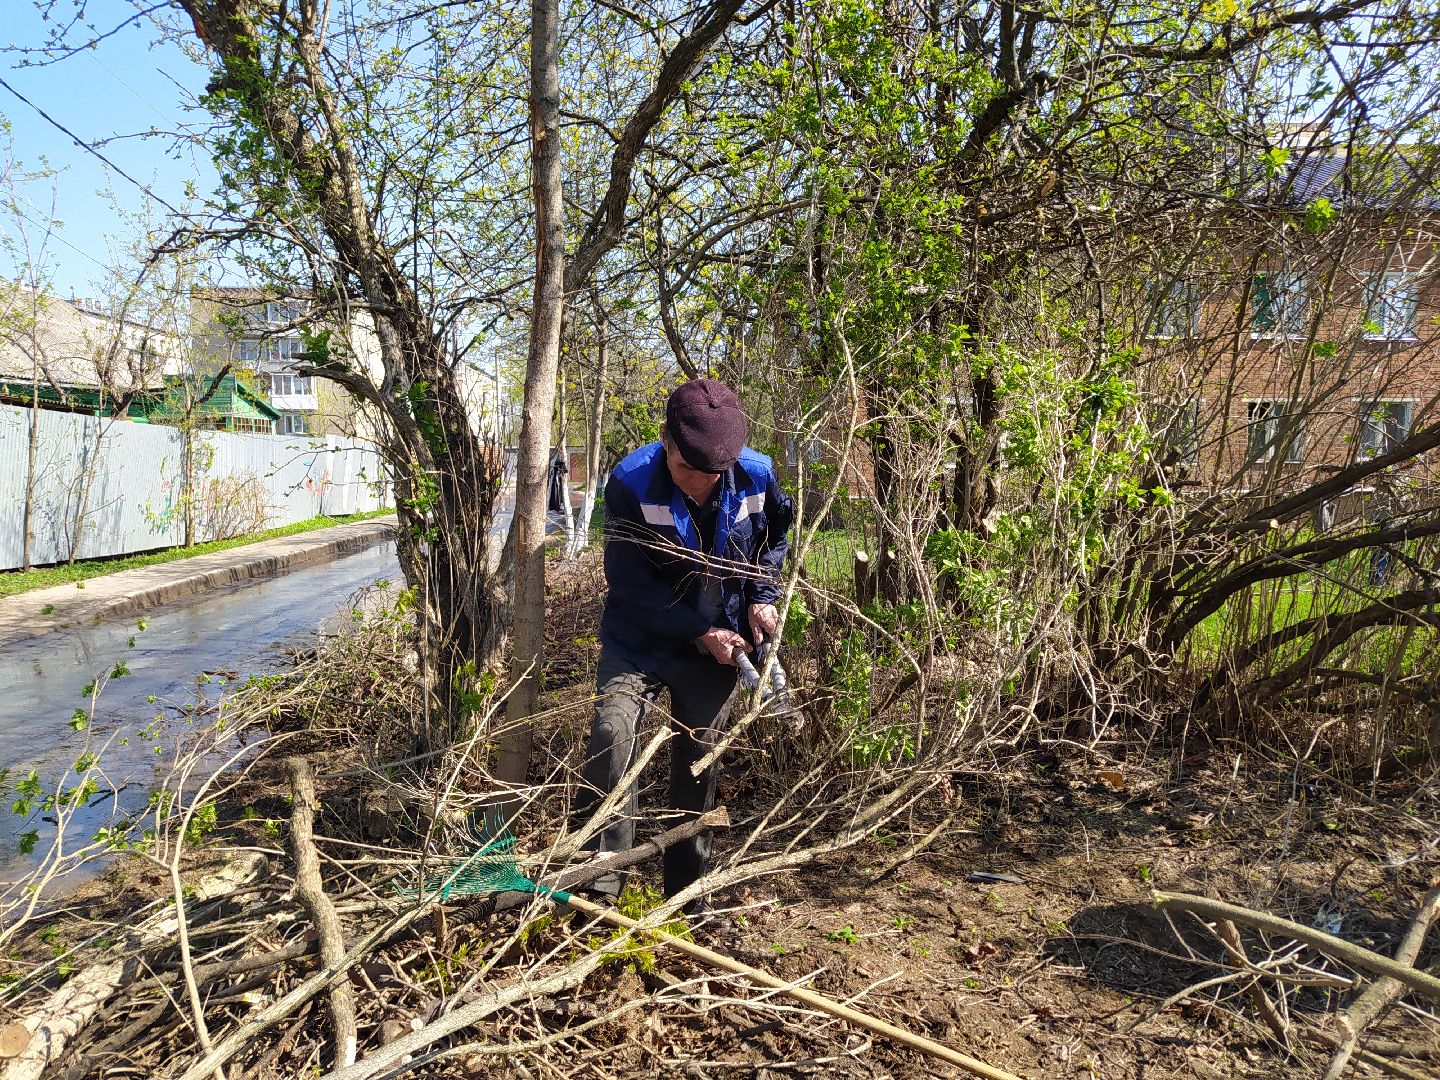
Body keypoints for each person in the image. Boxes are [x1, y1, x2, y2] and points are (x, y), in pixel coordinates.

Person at [575, 379, 793, 913]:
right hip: (640, 635)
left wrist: (761, 599)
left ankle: (684, 893)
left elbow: (771, 543)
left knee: (700, 757)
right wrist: (696, 630)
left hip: (719, 644)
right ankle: (598, 885)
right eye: (686, 471)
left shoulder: (757, 475)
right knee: (612, 734)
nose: (696, 485)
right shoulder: (629, 482)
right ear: (665, 441)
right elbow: (628, 580)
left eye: (709, 476)